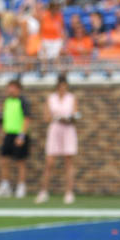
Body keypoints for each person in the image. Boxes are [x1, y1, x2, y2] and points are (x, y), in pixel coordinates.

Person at [36, 75, 79, 204]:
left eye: (64, 86)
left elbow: (76, 114)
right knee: (49, 162)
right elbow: (46, 117)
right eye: (60, 86)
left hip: (68, 129)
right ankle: (43, 192)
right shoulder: (51, 98)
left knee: (69, 162)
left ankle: (69, 192)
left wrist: (69, 118)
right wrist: (57, 118)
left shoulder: (72, 98)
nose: (62, 88)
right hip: (55, 130)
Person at [0, 80, 31, 198]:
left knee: (20, 162)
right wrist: (3, 134)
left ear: (18, 88)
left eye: (12, 88)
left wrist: (22, 136)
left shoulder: (23, 101)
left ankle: (21, 186)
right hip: (8, 134)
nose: (10, 90)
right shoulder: (7, 101)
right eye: (9, 88)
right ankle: (5, 186)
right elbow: (6, 119)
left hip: (19, 135)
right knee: (4, 160)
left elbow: (27, 119)